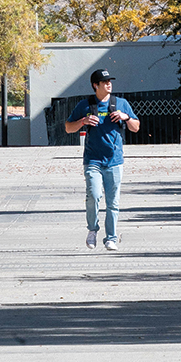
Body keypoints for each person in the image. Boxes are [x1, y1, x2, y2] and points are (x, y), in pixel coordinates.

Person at [65, 68, 140, 251]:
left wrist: (126, 116)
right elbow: (68, 128)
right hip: (93, 160)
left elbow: (136, 127)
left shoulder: (120, 103)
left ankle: (111, 238)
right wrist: (83, 121)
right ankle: (92, 230)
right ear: (95, 85)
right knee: (94, 195)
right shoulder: (85, 105)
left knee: (113, 202)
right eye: (104, 82)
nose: (109, 84)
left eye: (110, 81)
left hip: (115, 160)